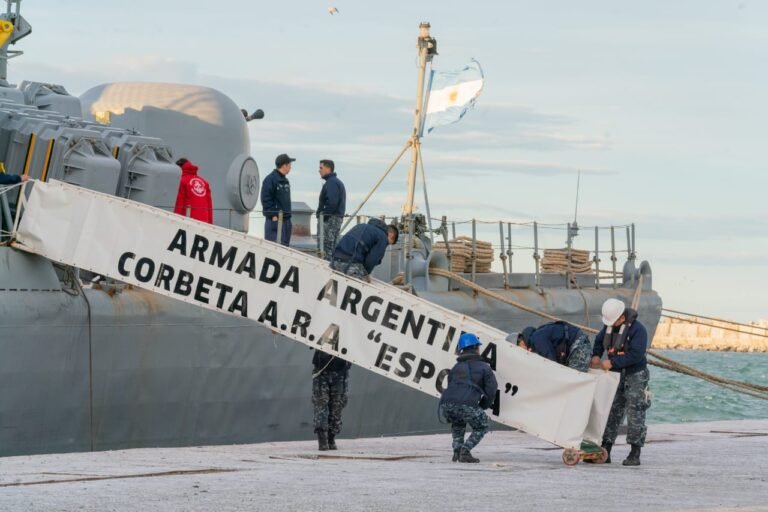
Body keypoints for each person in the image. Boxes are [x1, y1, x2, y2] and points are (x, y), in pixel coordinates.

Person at [589, 298, 651, 466]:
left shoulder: (639, 331)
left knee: (635, 412)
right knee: (611, 411)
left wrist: (613, 363)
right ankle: (605, 450)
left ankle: (634, 452)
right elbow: (599, 340)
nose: (612, 324)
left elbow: (636, 355)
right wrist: (596, 355)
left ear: (622, 318)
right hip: (615, 376)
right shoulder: (609, 327)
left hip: (635, 375)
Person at [439, 333, 498, 463]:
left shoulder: (456, 367)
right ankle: (465, 451)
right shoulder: (484, 367)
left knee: (458, 422)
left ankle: (456, 451)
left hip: (446, 403)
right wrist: (483, 406)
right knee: (482, 426)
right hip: (466, 404)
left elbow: (451, 385)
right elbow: (492, 389)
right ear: (476, 348)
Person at [329, 218, 398, 282]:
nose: (386, 245)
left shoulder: (361, 226)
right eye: (389, 243)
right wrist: (366, 274)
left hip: (334, 261)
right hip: (350, 264)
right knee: (366, 286)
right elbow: (373, 258)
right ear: (391, 235)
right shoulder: (383, 237)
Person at [312, 349, 351, 451]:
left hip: (340, 371)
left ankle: (331, 437)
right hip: (322, 370)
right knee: (321, 404)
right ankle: (322, 440)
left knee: (337, 406)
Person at [514, 322, 592, 372]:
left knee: (575, 378)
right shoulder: (536, 337)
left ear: (520, 342)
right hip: (576, 344)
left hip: (578, 345)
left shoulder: (537, 339)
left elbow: (551, 361)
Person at [261, 153, 294, 246]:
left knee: (284, 250)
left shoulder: (285, 180)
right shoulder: (270, 179)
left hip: (286, 221)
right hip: (275, 221)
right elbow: (266, 199)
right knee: (274, 248)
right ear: (284, 165)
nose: (291, 167)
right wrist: (273, 216)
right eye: (289, 165)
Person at [316, 159, 346, 260]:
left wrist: (323, 216)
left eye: (321, 168)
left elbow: (332, 202)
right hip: (336, 218)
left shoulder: (331, 183)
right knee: (333, 246)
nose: (319, 170)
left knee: (326, 247)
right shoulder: (336, 182)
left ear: (328, 168)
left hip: (330, 220)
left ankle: (325, 269)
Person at [173, 158, 213, 224]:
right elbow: (209, 207)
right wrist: (210, 224)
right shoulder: (204, 183)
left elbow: (179, 204)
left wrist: (176, 222)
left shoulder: (182, 181)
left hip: (189, 223)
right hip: (205, 222)